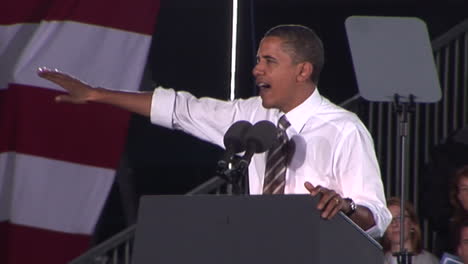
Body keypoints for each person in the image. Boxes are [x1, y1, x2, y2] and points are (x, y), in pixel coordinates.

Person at [37, 24, 391, 237]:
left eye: (269, 62)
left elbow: (376, 216)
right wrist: (97, 94)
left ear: (302, 71)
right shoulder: (250, 115)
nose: (257, 70)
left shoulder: (344, 129)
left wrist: (344, 208)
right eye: (257, 60)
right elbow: (179, 109)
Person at [382, 197, 439, 264]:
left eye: (400, 218)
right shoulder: (377, 260)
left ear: (412, 223)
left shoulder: (429, 261)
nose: (394, 224)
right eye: (389, 219)